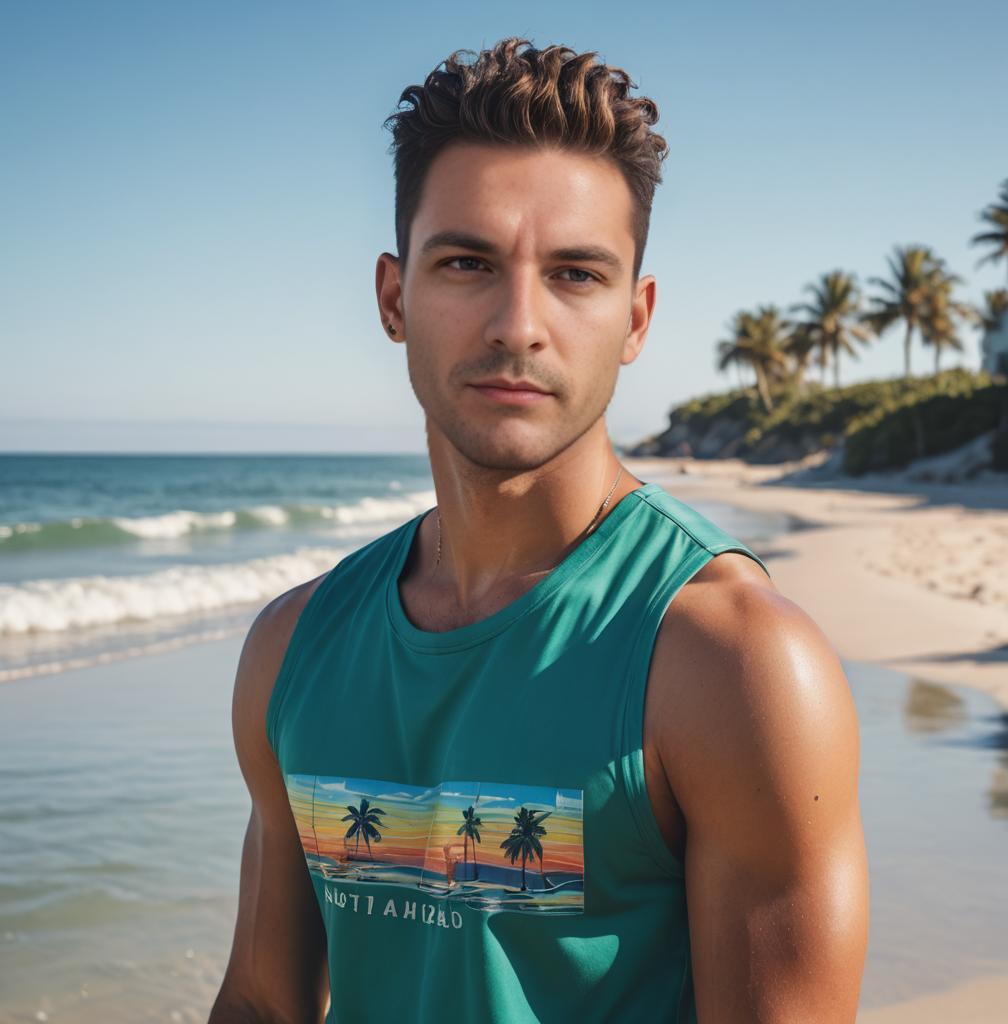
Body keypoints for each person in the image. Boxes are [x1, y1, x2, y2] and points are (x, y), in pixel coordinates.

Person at [209, 36, 869, 1023]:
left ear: (635, 320)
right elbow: (262, 1005)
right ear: (395, 297)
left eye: (573, 275)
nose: (518, 322)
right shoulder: (293, 648)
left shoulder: (730, 665)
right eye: (468, 262)